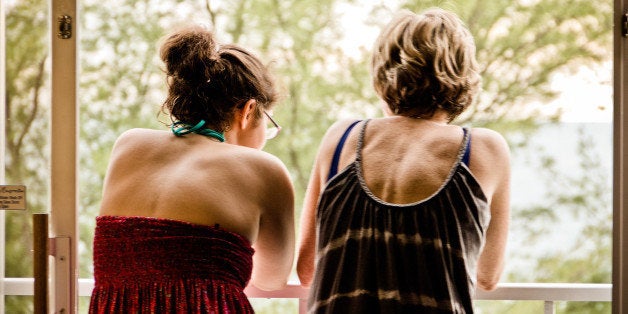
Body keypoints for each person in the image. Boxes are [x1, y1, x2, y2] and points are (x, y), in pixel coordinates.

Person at [296, 8, 510, 314]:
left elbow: (307, 269)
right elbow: (487, 277)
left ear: (382, 71)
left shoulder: (341, 138)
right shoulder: (484, 149)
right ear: (463, 74)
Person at [89, 24, 295, 314]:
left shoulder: (128, 145)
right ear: (247, 111)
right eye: (269, 124)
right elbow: (272, 279)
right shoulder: (264, 169)